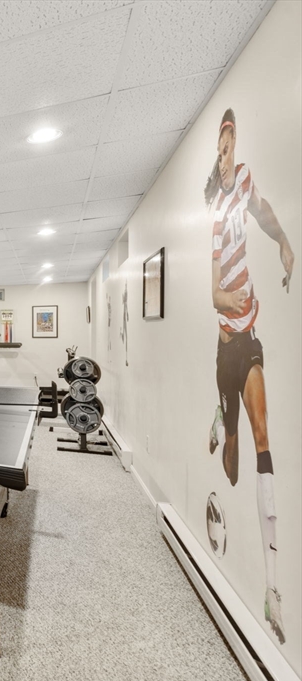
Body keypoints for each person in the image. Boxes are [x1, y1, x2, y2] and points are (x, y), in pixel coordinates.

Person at [204, 108, 294, 645]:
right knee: (233, 461)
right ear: (216, 165)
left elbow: (265, 213)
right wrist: (227, 296)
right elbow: (213, 291)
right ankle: (222, 417)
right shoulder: (215, 222)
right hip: (225, 349)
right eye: (221, 142)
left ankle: (272, 588)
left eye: (230, 136)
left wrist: (284, 243)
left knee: (265, 440)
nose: (228, 145)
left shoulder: (246, 186)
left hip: (251, 343)